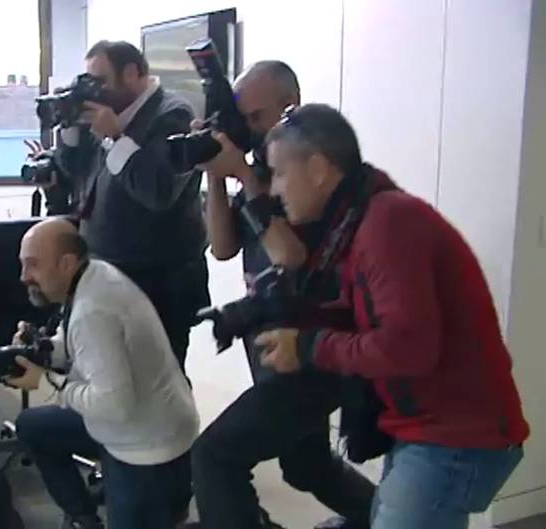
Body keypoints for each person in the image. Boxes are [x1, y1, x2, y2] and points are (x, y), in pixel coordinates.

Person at [254, 103, 528, 529]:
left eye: (279, 173)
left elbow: (407, 347)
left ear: (318, 169)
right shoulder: (359, 222)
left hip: (453, 435)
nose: (274, 189)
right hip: (429, 429)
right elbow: (361, 315)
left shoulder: (387, 223)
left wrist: (308, 346)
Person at [192, 63, 375, 529]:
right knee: (305, 467)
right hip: (272, 334)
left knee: (215, 455)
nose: (246, 128)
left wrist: (246, 178)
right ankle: (391, 519)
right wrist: (216, 174)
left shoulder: (310, 173)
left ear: (287, 108)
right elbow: (224, 246)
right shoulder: (259, 170)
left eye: (254, 116)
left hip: (313, 346)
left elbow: (290, 255)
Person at [6, 218, 199, 529]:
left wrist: (45, 381)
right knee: (33, 427)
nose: (24, 277)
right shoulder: (94, 275)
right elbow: (83, 347)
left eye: (32, 265)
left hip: (147, 447)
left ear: (66, 263)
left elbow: (114, 404)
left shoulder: (91, 311)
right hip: (144, 420)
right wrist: (41, 349)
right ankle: (83, 518)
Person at [33, 40, 210, 370]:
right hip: (103, 273)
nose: (93, 91)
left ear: (132, 74)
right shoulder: (102, 115)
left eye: (99, 81)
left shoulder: (173, 114)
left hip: (159, 285)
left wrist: (115, 137)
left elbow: (158, 190)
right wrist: (70, 128)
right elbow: (75, 175)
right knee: (107, 375)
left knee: (158, 382)